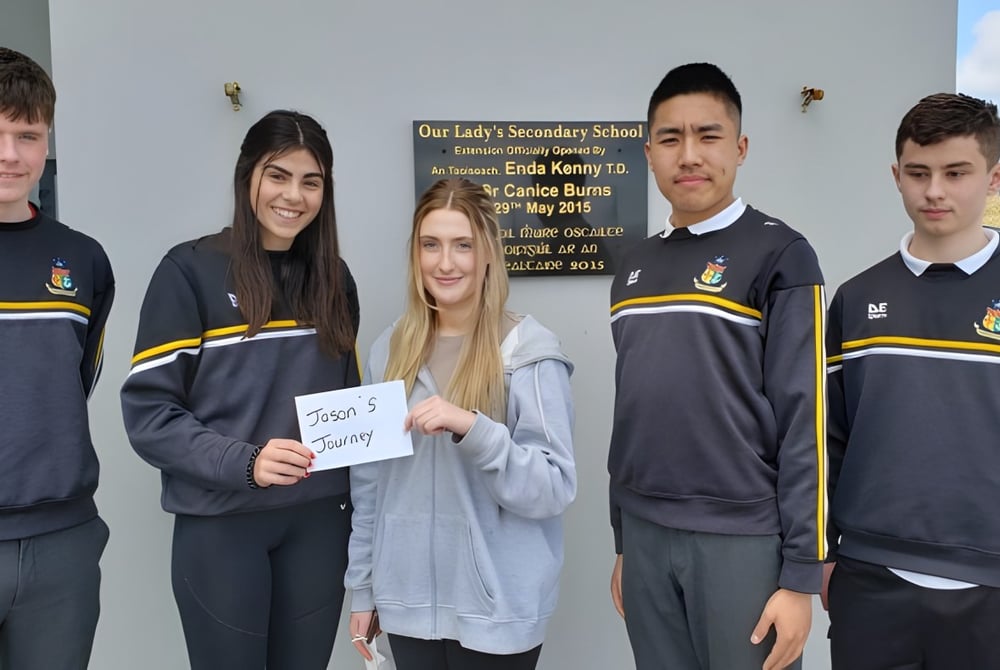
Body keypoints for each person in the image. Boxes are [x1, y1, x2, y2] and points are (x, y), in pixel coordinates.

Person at [120, 110, 360, 670]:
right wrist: (245, 461)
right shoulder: (190, 271)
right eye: (278, 175)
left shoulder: (334, 279)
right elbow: (149, 415)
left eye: (311, 181)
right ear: (246, 175)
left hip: (320, 522)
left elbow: (344, 400)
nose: (293, 196)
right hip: (222, 525)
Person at [607, 62, 825, 670]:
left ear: (741, 146)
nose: (690, 155)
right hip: (646, 536)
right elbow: (635, 409)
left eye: (708, 135)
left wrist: (801, 577)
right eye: (671, 139)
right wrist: (625, 540)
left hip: (743, 538)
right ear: (649, 152)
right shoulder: (633, 266)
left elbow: (805, 420)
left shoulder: (781, 253)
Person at [345, 177, 576, 670]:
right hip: (404, 606)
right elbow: (369, 486)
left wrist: (475, 429)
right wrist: (362, 588)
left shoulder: (529, 352)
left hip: (497, 614)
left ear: (488, 251)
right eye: (431, 245)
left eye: (462, 246)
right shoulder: (390, 349)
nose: (445, 263)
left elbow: (553, 487)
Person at [824, 93, 1000, 669]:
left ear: (994, 177)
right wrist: (820, 553)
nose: (935, 191)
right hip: (870, 578)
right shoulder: (855, 299)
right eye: (919, 173)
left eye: (956, 172)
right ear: (896, 176)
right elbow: (829, 437)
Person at [0, 47, 114, 669]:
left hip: (60, 542)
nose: (10, 154)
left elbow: (75, 382)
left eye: (27, 134)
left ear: (47, 140)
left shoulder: (84, 260)